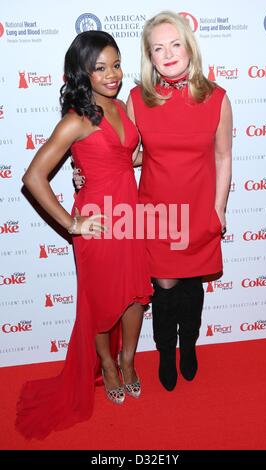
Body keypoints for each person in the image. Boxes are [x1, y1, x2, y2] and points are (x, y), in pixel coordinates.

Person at [74, 10, 232, 392]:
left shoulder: (217, 98)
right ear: (150, 56)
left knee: (192, 286)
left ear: (189, 48)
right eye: (158, 48)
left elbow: (223, 156)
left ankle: (189, 346)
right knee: (163, 286)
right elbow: (123, 152)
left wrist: (219, 209)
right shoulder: (136, 100)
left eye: (175, 44)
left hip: (198, 209)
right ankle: (164, 351)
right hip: (157, 212)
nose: (169, 53)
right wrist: (86, 171)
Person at [16, 30, 153, 440]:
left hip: (131, 214)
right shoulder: (75, 120)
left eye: (115, 64)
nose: (111, 74)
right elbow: (33, 177)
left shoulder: (122, 105)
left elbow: (128, 156)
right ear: (82, 74)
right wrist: (72, 224)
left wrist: (170, 149)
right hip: (98, 222)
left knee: (135, 293)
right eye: (100, 68)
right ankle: (107, 367)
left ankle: (128, 360)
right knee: (99, 301)